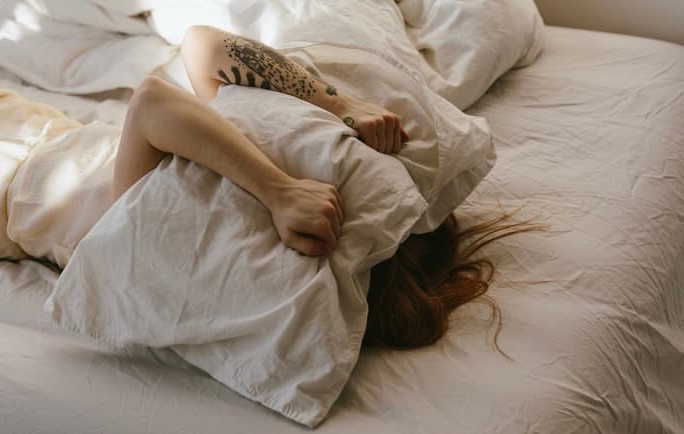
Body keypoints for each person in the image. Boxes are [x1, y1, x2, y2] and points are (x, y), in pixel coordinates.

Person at [117, 25, 539, 351]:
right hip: (357, 50)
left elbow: (187, 60)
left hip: (314, 50)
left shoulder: (120, 239)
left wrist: (279, 189)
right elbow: (196, 51)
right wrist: (338, 107)